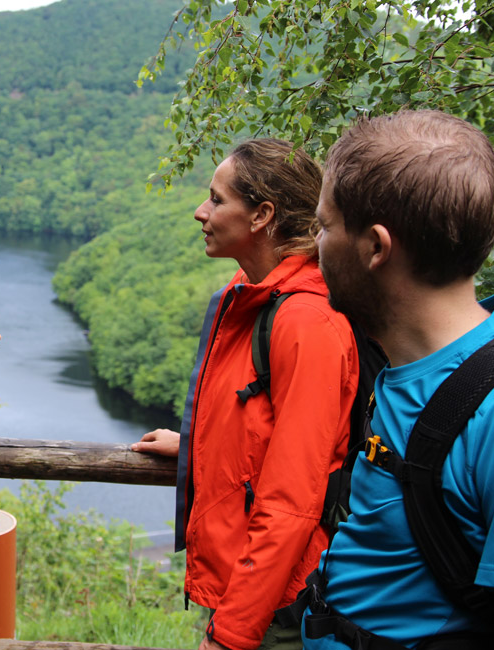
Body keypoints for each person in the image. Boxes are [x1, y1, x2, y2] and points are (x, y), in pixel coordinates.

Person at [131, 139, 360, 650]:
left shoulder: (305, 323)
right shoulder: (255, 296)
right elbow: (258, 427)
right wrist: (195, 446)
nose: (200, 212)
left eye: (216, 200)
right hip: (253, 586)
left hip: (281, 600)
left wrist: (232, 634)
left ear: (262, 215)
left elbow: (293, 500)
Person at [299, 111, 494, 648]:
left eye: (322, 226)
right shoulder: (401, 361)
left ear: (375, 248)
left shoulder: (489, 415)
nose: (313, 246)